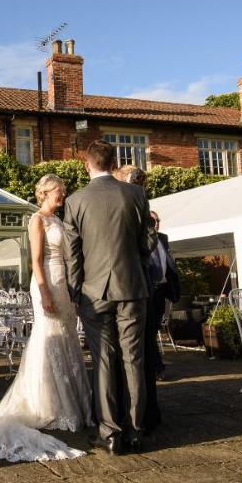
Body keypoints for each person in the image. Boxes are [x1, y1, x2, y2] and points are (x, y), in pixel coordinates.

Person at [0, 174, 93, 462]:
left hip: (64, 283)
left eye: (64, 191)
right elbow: (36, 259)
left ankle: (75, 404)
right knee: (49, 338)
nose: (63, 195)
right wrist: (43, 292)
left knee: (67, 338)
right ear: (45, 193)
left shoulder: (60, 220)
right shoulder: (37, 220)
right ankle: (50, 404)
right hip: (47, 282)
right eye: (59, 190)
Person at [63, 140, 155, 455]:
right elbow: (147, 244)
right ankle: (135, 432)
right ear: (114, 163)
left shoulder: (74, 201)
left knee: (102, 360)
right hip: (132, 287)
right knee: (134, 359)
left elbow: (72, 256)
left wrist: (75, 291)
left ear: (87, 164)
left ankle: (110, 433)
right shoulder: (136, 194)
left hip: (93, 292)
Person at [141, 209, 180, 430]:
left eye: (157, 221)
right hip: (148, 289)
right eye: (153, 221)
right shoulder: (141, 238)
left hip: (162, 289)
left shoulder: (163, 238)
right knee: (150, 330)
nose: (156, 224)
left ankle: (157, 365)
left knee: (155, 328)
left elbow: (168, 262)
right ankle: (158, 366)